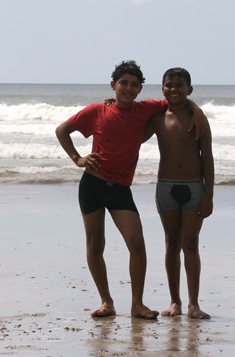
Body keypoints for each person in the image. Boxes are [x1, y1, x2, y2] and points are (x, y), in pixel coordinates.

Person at [55, 60, 207, 319]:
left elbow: (176, 100)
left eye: (134, 85)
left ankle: (137, 304)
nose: (128, 88)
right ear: (113, 85)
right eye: (123, 83)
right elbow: (62, 130)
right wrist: (78, 159)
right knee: (95, 244)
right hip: (92, 184)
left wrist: (199, 112)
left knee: (136, 243)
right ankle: (107, 302)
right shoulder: (95, 111)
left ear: (140, 90)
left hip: (120, 189)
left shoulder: (145, 109)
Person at [143, 67, 214, 319]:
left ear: (189, 89)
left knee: (191, 243)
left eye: (179, 85)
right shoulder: (157, 118)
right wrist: (113, 105)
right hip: (166, 186)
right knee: (171, 243)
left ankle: (194, 304)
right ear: (162, 89)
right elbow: (130, 134)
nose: (174, 89)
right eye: (169, 85)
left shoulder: (199, 119)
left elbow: (208, 158)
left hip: (194, 186)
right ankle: (175, 302)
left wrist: (209, 195)